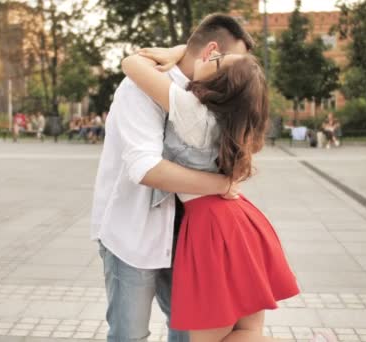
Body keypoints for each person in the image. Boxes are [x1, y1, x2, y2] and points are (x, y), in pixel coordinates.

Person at [121, 41, 299, 342]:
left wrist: (177, 53)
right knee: (248, 331)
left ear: (219, 84)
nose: (209, 54)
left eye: (216, 59)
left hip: (213, 227)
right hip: (240, 222)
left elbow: (131, 64)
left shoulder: (193, 113)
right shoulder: (237, 124)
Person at [90, 14, 253, 342]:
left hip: (188, 236)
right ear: (210, 52)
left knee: (185, 334)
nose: (233, 73)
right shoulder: (144, 88)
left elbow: (136, 64)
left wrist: (176, 52)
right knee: (129, 335)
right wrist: (221, 185)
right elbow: (144, 167)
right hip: (131, 232)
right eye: (230, 62)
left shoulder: (207, 101)